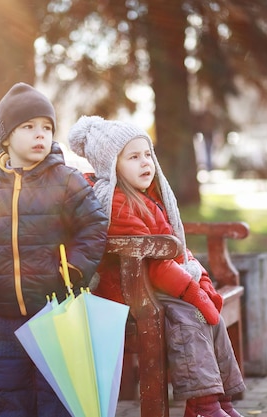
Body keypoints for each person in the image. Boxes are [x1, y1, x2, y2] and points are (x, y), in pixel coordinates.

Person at [68, 115, 246, 417]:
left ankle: (220, 400)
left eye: (148, 154)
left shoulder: (147, 198)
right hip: (129, 292)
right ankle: (204, 406)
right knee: (190, 317)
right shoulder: (115, 202)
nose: (145, 162)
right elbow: (154, 262)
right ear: (111, 165)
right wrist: (194, 293)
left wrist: (200, 281)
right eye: (133, 157)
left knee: (210, 318)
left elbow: (174, 250)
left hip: (155, 285)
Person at [0, 83, 109, 417]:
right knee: (7, 391)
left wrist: (75, 269)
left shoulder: (66, 181)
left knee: (55, 394)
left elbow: (94, 227)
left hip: (53, 311)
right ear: (6, 136)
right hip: (3, 316)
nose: (41, 135)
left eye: (47, 127)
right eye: (29, 126)